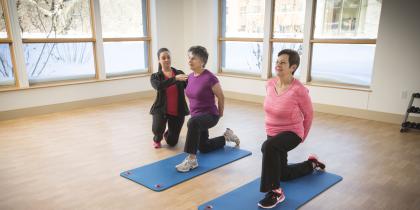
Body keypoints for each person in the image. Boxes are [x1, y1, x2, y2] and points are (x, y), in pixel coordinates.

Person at [258, 49, 325, 209]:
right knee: (283, 174)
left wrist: (302, 137)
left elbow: (309, 115)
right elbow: (271, 109)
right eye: (277, 61)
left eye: (283, 62)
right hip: (273, 133)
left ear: (293, 67)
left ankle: (275, 191)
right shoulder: (269, 84)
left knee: (268, 147)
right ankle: (311, 164)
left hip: (292, 133)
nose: (278, 65)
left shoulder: (299, 90)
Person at [175, 45, 240, 172]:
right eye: (189, 58)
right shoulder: (190, 77)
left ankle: (192, 160)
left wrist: (220, 113)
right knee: (203, 147)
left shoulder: (210, 78)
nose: (189, 61)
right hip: (197, 118)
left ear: (202, 61)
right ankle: (227, 137)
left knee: (192, 122)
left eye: (193, 58)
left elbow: (221, 97)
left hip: (210, 115)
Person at [150, 48, 189, 149]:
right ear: (159, 60)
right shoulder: (155, 76)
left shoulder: (179, 73)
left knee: (172, 142)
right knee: (157, 129)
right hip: (161, 109)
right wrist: (175, 79)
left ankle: (168, 133)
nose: (166, 59)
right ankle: (157, 139)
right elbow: (159, 86)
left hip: (177, 110)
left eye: (168, 57)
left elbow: (189, 86)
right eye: (163, 58)